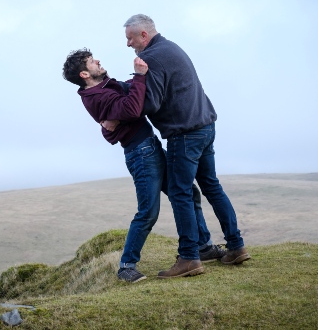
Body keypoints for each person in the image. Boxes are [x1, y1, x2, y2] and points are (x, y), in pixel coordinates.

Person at [62, 48, 225, 283]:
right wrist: (139, 76)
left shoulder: (105, 86)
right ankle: (126, 266)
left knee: (190, 192)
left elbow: (126, 100)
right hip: (141, 154)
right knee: (148, 210)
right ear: (85, 74)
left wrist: (129, 98)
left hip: (150, 146)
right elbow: (132, 108)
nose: (98, 61)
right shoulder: (96, 97)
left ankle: (203, 246)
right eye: (91, 61)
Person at [120, 14, 251, 279]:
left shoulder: (152, 58)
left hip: (184, 134)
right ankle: (236, 246)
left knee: (180, 193)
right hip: (205, 126)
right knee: (212, 187)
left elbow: (150, 104)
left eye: (130, 38)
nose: (128, 44)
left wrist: (133, 85)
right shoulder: (171, 47)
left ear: (143, 35)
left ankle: (189, 257)